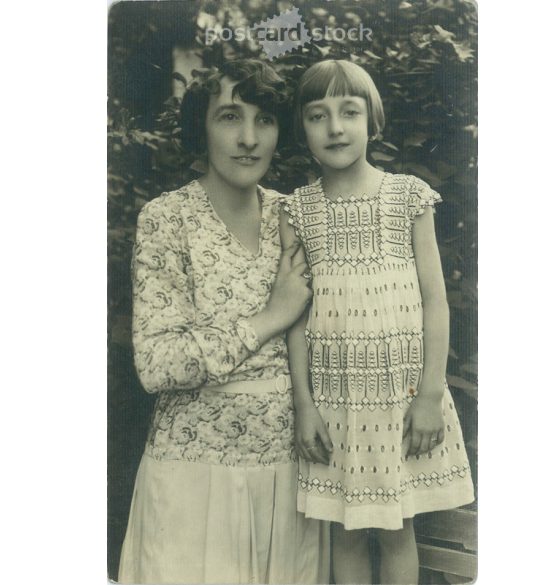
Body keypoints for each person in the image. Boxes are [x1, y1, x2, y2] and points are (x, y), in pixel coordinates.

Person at [118, 59, 329, 585]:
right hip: (194, 481)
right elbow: (156, 364)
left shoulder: (295, 216)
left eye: (265, 120)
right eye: (230, 117)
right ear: (201, 127)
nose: (249, 139)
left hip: (289, 483)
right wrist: (270, 317)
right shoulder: (167, 219)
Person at [280, 59, 475, 585]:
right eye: (318, 116)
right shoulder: (298, 210)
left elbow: (436, 300)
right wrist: (304, 406)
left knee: (395, 532)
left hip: (399, 398)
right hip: (336, 403)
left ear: (373, 120)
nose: (335, 127)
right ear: (303, 128)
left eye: (349, 112)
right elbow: (296, 317)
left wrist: (429, 394)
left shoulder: (407, 197)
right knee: (343, 533)